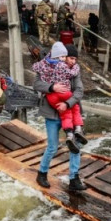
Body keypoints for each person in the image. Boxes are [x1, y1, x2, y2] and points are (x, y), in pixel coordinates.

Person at [33, 44, 86, 192]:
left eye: (75, 59)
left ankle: (74, 178)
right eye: (70, 58)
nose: (72, 61)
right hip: (52, 113)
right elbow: (36, 84)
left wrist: (67, 104)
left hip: (68, 110)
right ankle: (42, 173)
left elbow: (80, 90)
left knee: (75, 145)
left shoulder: (74, 71)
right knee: (52, 146)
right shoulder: (45, 67)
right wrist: (52, 87)